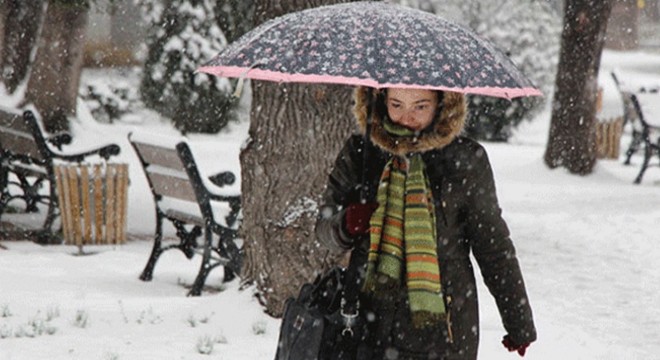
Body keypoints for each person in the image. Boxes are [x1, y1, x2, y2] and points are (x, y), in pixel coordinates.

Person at [315, 86, 537, 359]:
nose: (406, 117)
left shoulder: (465, 159)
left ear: (443, 104)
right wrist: (346, 224)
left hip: (443, 330)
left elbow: (493, 248)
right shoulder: (361, 152)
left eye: (420, 106)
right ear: (380, 100)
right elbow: (323, 231)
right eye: (396, 104)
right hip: (366, 326)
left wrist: (518, 321)